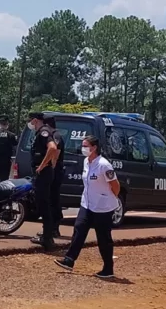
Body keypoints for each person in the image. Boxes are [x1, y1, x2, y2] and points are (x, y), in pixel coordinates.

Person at [54, 135, 121, 279]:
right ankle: (69, 260)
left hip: (103, 207)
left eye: (86, 146)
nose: (83, 148)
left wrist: (109, 198)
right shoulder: (86, 162)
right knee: (79, 229)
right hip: (87, 203)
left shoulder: (104, 165)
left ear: (94, 147)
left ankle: (108, 268)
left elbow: (115, 186)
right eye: (83, 145)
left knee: (103, 238)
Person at [28, 112, 59, 250]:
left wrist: (42, 166)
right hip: (44, 172)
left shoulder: (44, 131)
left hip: (43, 173)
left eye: (30, 121)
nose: (29, 124)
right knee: (42, 203)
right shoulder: (42, 132)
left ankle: (47, 238)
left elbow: (53, 148)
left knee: (43, 204)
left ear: (35, 120)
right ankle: (47, 235)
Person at [44, 116, 65, 238]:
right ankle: (51, 228)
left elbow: (55, 153)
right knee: (51, 198)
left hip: (55, 171)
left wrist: (50, 168)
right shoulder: (54, 134)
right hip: (54, 170)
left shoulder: (55, 135)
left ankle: (54, 228)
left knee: (53, 199)